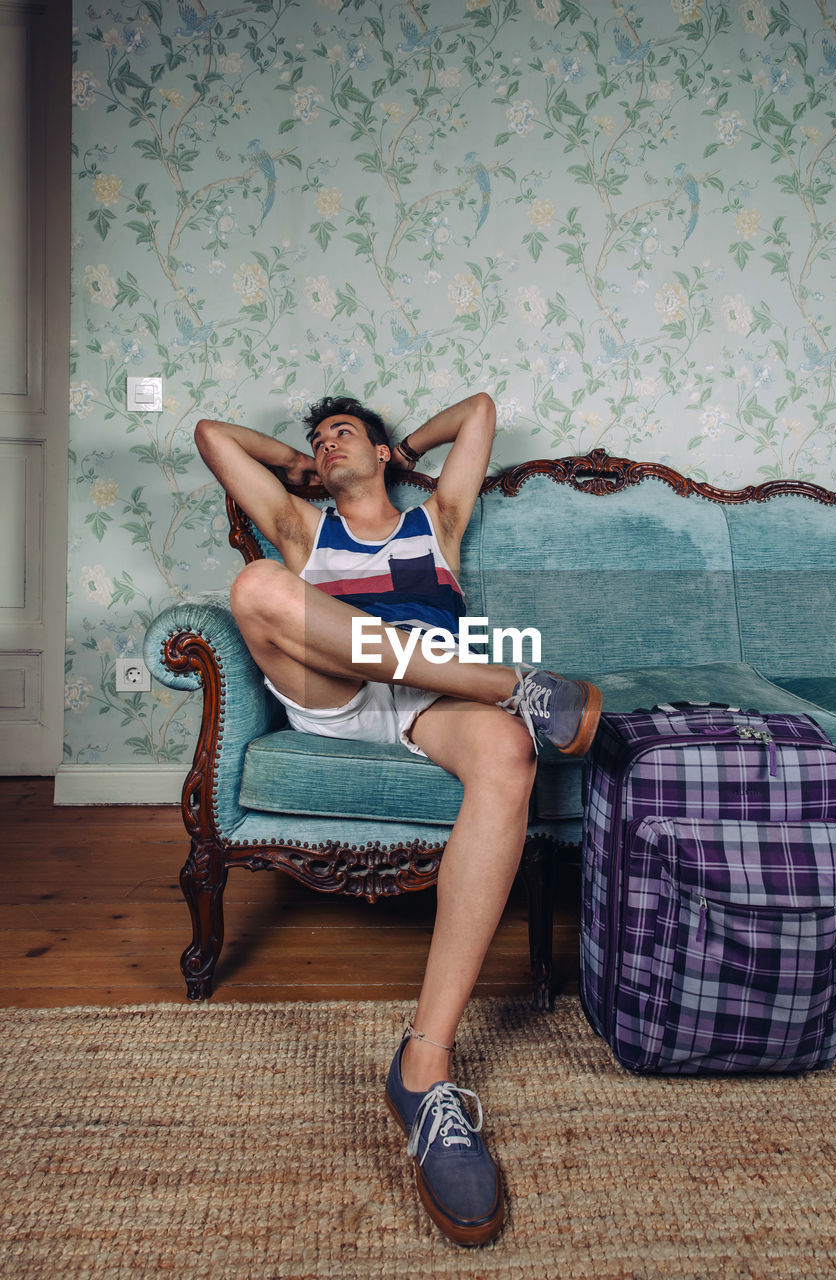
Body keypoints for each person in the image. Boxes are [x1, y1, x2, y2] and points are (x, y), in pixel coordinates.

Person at [194, 392, 602, 1246]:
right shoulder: (307, 529)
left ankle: (424, 1068)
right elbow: (210, 437)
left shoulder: (436, 521)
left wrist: (407, 445)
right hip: (337, 693)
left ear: (380, 455)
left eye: (342, 433)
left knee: (508, 755)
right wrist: (298, 465)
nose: (325, 444)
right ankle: (513, 686)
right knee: (260, 585)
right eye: (316, 440)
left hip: (431, 698)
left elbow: (482, 411)